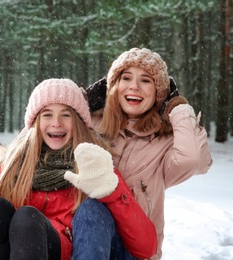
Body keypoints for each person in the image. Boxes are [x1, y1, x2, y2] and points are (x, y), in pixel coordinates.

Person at [0, 78, 158, 260]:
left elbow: (146, 247)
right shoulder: (14, 169)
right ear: (35, 124)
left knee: (27, 216)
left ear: (80, 124)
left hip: (62, 251)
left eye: (66, 115)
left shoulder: (96, 171)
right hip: (15, 251)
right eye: (47, 115)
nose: (56, 123)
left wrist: (113, 193)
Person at [72, 48, 213, 260]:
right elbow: (37, 142)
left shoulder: (165, 142)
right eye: (126, 78)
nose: (134, 86)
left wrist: (179, 108)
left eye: (145, 80)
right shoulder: (90, 125)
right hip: (83, 242)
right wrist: (79, 103)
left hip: (135, 251)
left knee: (93, 209)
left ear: (159, 93)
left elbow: (194, 160)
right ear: (114, 86)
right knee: (91, 210)